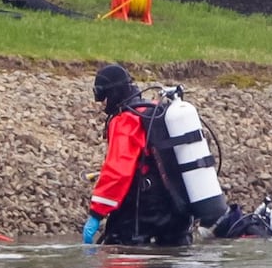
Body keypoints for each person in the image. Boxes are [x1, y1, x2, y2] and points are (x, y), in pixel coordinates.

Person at [83, 64, 195, 247]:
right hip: (177, 207)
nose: (101, 103)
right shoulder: (155, 110)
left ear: (112, 93)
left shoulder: (126, 120)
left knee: (118, 256)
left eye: (102, 97)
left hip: (144, 209)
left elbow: (118, 172)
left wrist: (96, 214)